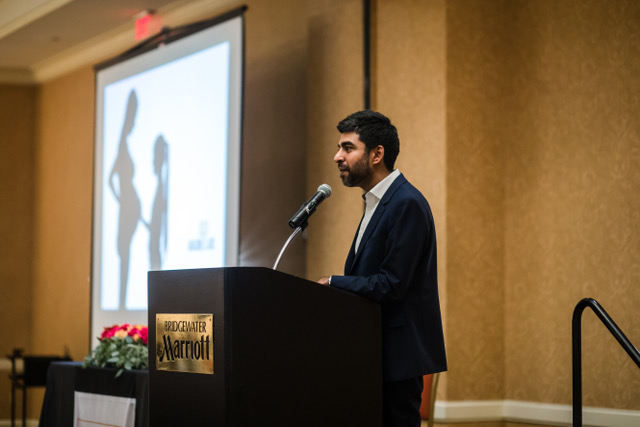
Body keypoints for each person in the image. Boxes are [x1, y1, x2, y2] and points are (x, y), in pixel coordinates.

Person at [318, 110, 447, 427]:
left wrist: (334, 282)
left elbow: (392, 284)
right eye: (339, 147)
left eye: (348, 148)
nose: (337, 156)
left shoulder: (406, 203)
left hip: (397, 359)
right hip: (374, 354)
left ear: (377, 154)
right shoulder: (376, 202)